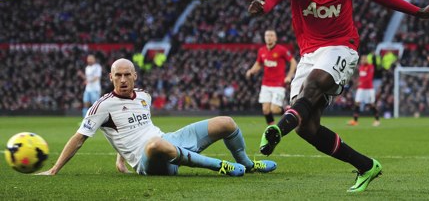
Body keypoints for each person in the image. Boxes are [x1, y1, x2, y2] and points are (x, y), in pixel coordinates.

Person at [247, 0, 429, 192]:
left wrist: (418, 11)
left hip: (341, 45)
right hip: (309, 54)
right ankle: (366, 166)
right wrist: (262, 3)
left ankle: (279, 128)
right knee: (307, 128)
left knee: (315, 84)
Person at [37, 58, 276, 176]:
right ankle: (221, 167)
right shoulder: (102, 106)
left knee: (226, 122)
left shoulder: (144, 97)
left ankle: (247, 164)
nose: (122, 79)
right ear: (110, 78)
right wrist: (54, 169)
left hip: (169, 140)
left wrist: (119, 157)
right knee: (155, 144)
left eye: (126, 75)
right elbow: (79, 138)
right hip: (149, 160)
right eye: (117, 75)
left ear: (135, 76)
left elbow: (131, 129)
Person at [246, 29, 297, 125]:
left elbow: (293, 62)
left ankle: (289, 111)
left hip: (278, 84)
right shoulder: (262, 51)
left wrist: (289, 76)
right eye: (267, 35)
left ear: (275, 38)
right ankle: (272, 128)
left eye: (271, 35)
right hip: (266, 84)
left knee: (275, 109)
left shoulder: (281, 50)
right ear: (264, 38)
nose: (269, 37)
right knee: (265, 109)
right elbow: (258, 64)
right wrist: (251, 71)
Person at [347, 56, 380, 127]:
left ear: (367, 60)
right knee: (357, 103)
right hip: (361, 88)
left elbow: (369, 77)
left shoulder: (371, 67)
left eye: (364, 59)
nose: (362, 60)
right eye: (362, 59)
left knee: (371, 104)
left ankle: (377, 120)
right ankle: (355, 121)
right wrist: (358, 82)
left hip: (369, 89)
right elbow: (361, 77)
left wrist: (360, 82)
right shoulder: (361, 67)